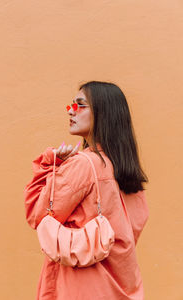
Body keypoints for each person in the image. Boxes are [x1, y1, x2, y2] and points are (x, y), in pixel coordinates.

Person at [24, 80, 149, 300]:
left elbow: (37, 214)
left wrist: (48, 163)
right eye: (71, 105)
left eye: (80, 105)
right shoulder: (127, 172)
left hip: (80, 288)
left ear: (104, 112)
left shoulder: (83, 165)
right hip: (122, 287)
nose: (71, 111)